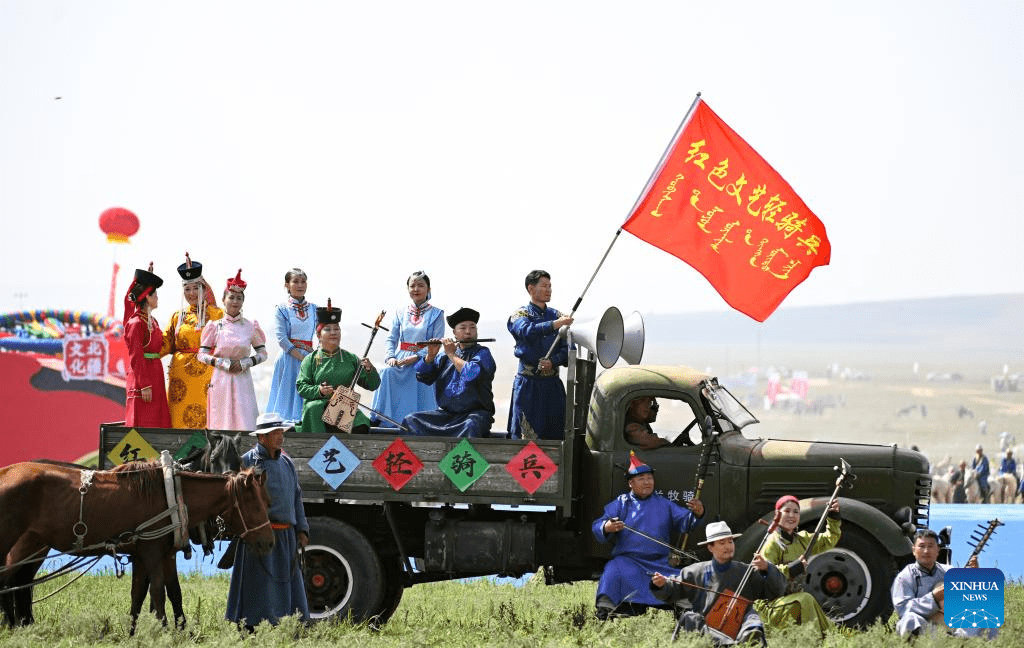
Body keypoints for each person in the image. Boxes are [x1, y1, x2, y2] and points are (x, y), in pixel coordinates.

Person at [592, 452, 704, 619]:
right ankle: (606, 611)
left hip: (660, 562)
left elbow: (686, 522)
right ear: (631, 483)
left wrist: (698, 513)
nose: (647, 482)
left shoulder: (664, 504)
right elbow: (598, 525)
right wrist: (607, 527)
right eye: (641, 479)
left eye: (650, 478)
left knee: (681, 580)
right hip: (629, 561)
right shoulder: (622, 503)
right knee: (613, 570)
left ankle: (687, 615)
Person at [225, 412, 309, 628]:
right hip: (260, 536)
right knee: (259, 585)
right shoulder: (246, 461)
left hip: (287, 536)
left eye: (281, 431)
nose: (280, 436)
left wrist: (302, 529)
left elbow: (296, 497)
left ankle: (288, 624)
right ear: (261, 437)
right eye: (275, 432)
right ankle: (252, 625)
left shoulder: (287, 463)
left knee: (287, 583)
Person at [651, 522, 784, 647]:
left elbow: (775, 590)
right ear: (710, 547)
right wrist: (662, 584)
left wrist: (767, 568)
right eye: (722, 543)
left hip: (739, 626)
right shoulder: (695, 571)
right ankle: (728, 643)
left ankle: (745, 641)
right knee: (690, 618)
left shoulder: (746, 570)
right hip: (708, 626)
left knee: (752, 620)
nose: (728, 546)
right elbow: (673, 588)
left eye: (730, 541)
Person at [403, 307, 497, 438]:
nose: (469, 332)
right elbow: (424, 378)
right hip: (446, 416)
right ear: (454, 333)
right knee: (411, 420)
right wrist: (430, 356)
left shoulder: (483, 353)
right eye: (463, 328)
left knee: (472, 426)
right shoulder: (443, 357)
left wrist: (451, 354)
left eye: (472, 327)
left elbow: (471, 375)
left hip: (475, 415)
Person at [754, 495, 840, 635]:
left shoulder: (802, 540)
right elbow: (764, 576)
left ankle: (831, 639)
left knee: (809, 602)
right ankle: (811, 641)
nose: (791, 515)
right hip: (771, 607)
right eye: (786, 511)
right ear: (777, 515)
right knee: (805, 599)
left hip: (791, 600)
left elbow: (830, 539)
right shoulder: (772, 543)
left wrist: (833, 517)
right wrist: (792, 569)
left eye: (796, 512)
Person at [370, 271, 445, 428]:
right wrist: (390, 357)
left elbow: (437, 343)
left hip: (425, 359)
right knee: (386, 372)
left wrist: (418, 357)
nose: (416, 289)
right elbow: (391, 339)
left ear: (429, 289)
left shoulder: (437, 314)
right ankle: (383, 418)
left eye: (421, 285)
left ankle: (421, 423)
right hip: (401, 358)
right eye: (412, 285)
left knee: (423, 376)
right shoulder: (400, 312)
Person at [295, 299, 380, 434]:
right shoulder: (310, 360)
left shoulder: (350, 358)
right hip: (319, 406)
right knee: (314, 408)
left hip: (343, 407)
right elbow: (302, 386)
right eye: (328, 329)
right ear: (318, 335)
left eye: (337, 329)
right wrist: (319, 390)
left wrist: (369, 370)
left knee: (361, 425)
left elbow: (372, 385)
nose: (333, 332)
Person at [507, 270, 573, 440]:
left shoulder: (558, 315)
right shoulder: (520, 315)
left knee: (556, 434)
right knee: (525, 434)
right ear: (531, 288)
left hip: (552, 386)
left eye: (550, 286)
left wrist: (553, 361)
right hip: (528, 386)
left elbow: (569, 349)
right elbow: (525, 331)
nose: (548, 290)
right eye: (544, 286)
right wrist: (554, 325)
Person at [198, 270, 267, 431]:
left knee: (245, 418)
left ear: (243, 301)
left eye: (239, 298)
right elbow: (201, 355)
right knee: (221, 420)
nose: (235, 301)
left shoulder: (250, 326)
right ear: (223, 300)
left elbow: (263, 353)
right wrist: (221, 362)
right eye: (231, 297)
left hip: (243, 379)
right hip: (221, 379)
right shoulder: (214, 326)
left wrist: (246, 362)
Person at [160, 254, 223, 429]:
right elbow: (164, 345)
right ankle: (178, 456)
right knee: (178, 421)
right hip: (180, 379)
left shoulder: (217, 314)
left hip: (207, 377)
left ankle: (206, 456)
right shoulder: (177, 317)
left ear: (203, 288)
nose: (192, 293)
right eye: (187, 289)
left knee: (207, 419)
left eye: (195, 288)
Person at [891, 528, 978, 637]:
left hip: (949, 625)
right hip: (923, 626)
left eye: (931, 546)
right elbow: (903, 608)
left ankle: (955, 638)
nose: (926, 551)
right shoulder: (905, 576)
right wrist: (934, 597)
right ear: (913, 550)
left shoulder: (949, 572)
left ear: (938, 550)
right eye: (921, 546)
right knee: (908, 620)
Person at [265, 268, 317, 422]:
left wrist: (315, 356)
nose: (300, 285)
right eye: (295, 281)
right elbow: (281, 338)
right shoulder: (281, 309)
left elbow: (321, 333)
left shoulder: (314, 308)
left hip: (309, 357)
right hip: (289, 357)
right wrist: (300, 356)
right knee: (287, 394)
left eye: (303, 281)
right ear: (286, 285)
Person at [123, 265, 171, 428]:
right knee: (142, 421)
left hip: (155, 373)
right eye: (154, 294)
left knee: (157, 419)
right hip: (142, 378)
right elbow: (136, 356)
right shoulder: (136, 323)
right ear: (146, 297)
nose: (157, 297)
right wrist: (144, 385)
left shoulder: (153, 321)